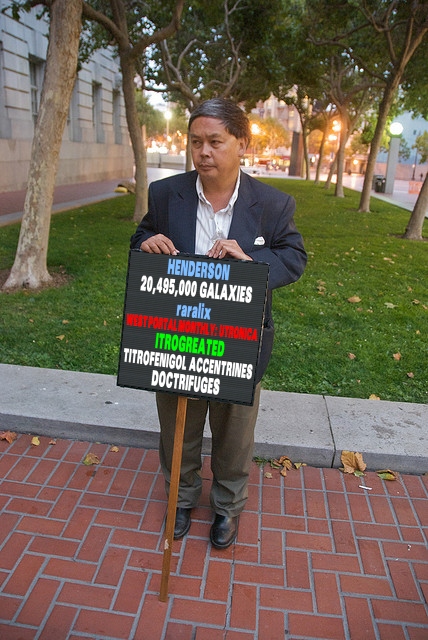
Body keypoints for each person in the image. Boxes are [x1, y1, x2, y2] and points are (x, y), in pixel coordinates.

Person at [131, 98, 307, 549]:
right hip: (176, 337)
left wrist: (250, 260)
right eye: (195, 142)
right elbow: (142, 236)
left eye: (215, 141)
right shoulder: (166, 194)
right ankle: (181, 498)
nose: (203, 151)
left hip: (238, 339)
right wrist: (147, 241)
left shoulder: (272, 204)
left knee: (234, 434)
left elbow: (293, 257)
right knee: (178, 429)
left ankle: (228, 506)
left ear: (241, 143)